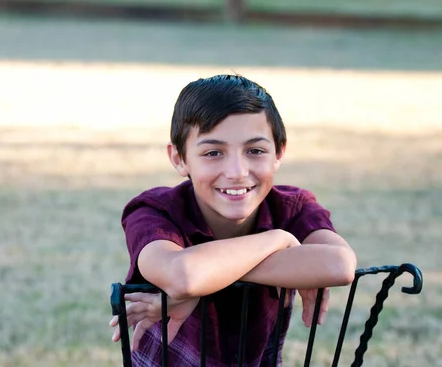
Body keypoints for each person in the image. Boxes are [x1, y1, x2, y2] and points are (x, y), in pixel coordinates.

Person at [109, 74, 357, 366]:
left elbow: (339, 264)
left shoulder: (291, 207)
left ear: (278, 152)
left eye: (255, 151)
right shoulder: (155, 211)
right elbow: (183, 275)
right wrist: (277, 241)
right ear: (179, 158)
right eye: (213, 153)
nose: (237, 171)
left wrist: (206, 281)